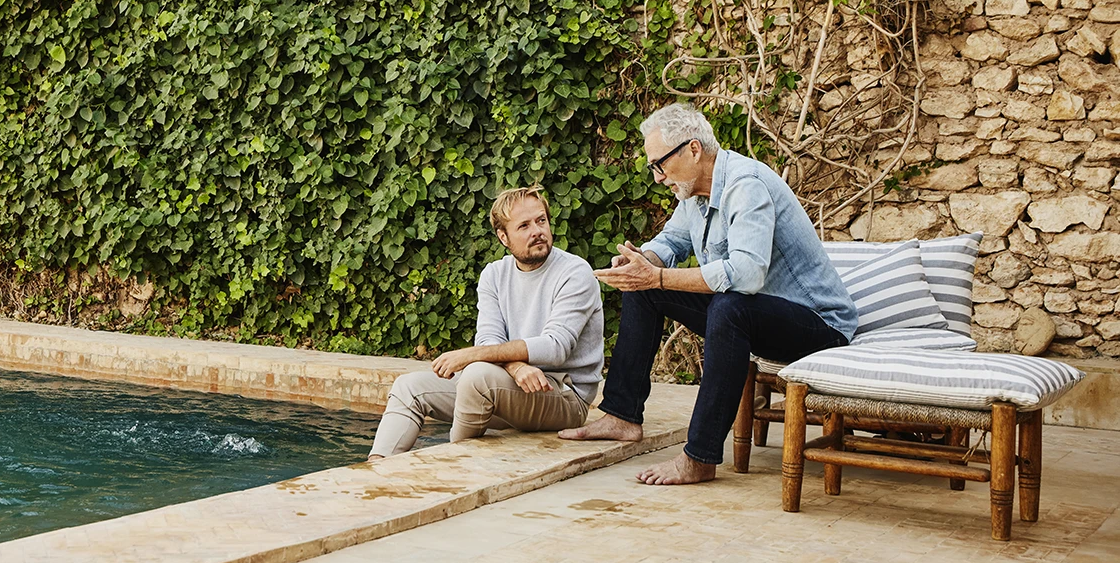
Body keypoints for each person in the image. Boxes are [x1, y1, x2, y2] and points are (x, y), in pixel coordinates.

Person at [560, 103, 856, 485]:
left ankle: (700, 456)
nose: (657, 177)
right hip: (763, 317)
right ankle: (622, 415)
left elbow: (747, 275)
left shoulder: (746, 186)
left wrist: (660, 277)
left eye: (660, 165)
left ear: (693, 149)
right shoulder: (695, 195)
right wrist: (641, 263)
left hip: (819, 327)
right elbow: (670, 241)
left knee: (729, 306)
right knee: (643, 289)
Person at [367, 185, 605, 459]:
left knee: (477, 373)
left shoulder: (575, 272)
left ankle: (455, 464)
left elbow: (555, 347)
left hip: (563, 395)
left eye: (541, 221)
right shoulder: (494, 274)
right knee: (409, 387)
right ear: (503, 237)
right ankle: (376, 469)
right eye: (524, 226)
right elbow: (489, 338)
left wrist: (472, 355)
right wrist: (515, 367)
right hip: (506, 387)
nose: (537, 231)